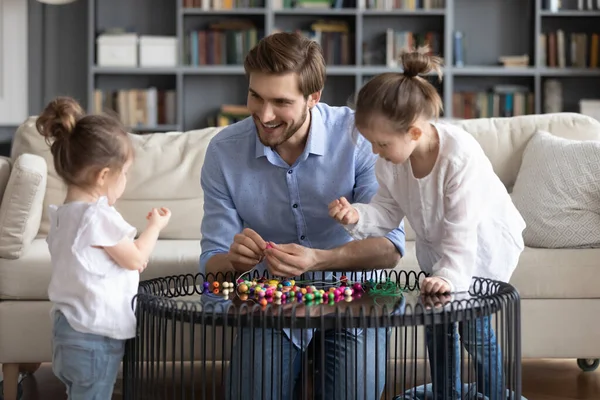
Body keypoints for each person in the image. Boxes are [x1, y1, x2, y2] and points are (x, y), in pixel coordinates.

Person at [199, 32, 406, 399]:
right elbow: (211, 268)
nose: (264, 115)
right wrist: (234, 260)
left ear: (314, 97)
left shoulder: (361, 137)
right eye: (255, 96)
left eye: (281, 102)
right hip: (270, 305)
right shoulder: (223, 152)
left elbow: (389, 248)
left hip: (357, 298)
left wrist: (318, 260)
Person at [328, 47, 527, 400]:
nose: (375, 151)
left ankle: (493, 395)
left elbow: (462, 229)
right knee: (437, 328)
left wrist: (448, 277)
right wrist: (357, 215)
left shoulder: (458, 156)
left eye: (382, 143)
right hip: (440, 252)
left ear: (415, 133)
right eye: (372, 143)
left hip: (480, 248)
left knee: (475, 332)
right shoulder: (390, 161)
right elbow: (387, 212)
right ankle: (445, 393)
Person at [37, 97, 171, 399]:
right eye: (123, 173)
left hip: (66, 332)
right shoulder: (96, 216)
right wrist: (155, 227)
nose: (125, 181)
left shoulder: (62, 215)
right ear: (103, 175)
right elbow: (136, 259)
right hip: (94, 335)